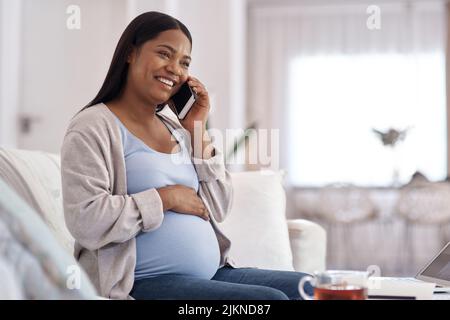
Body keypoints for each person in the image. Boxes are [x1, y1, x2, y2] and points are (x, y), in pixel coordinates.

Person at [61, 11, 312, 300]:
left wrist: (196, 128)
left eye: (184, 62)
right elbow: (86, 220)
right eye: (164, 54)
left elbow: (218, 206)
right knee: (270, 301)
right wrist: (166, 198)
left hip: (212, 273)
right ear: (131, 53)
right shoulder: (93, 126)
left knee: (308, 287)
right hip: (138, 283)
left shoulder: (176, 128)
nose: (175, 69)